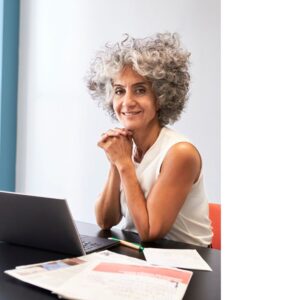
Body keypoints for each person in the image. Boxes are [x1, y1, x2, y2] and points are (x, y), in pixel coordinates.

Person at [87, 32, 212, 246]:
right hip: (141, 254)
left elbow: (150, 232)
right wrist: (116, 161)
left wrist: (124, 164)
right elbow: (105, 220)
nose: (127, 102)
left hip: (190, 262)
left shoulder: (180, 153)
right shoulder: (126, 146)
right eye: (119, 91)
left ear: (161, 96)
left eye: (140, 90)